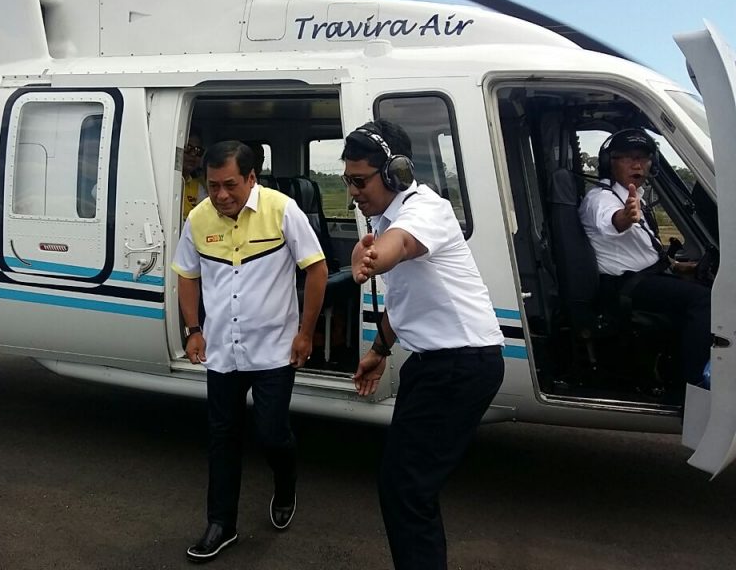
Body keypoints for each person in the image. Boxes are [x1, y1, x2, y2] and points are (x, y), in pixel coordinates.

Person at [344, 120, 505, 570]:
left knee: (406, 489)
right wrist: (379, 350)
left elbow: (399, 247)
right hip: (435, 365)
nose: (353, 192)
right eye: (348, 180)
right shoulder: (387, 217)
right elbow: (403, 299)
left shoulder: (425, 210)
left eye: (361, 181)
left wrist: (372, 257)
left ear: (395, 173)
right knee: (408, 487)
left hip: (460, 367)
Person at [173, 140, 327, 562]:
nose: (221, 195)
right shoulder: (198, 218)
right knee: (222, 437)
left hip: (274, 349)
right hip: (223, 350)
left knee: (271, 433)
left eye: (230, 185)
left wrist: (305, 333)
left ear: (251, 178)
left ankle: (285, 485)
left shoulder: (282, 210)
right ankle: (221, 524)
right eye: (213, 186)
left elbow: (316, 269)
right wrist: (193, 329)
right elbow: (187, 275)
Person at [578, 128, 711, 391]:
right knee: (704, 300)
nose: (637, 164)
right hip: (622, 287)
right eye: (627, 157)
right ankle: (693, 385)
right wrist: (626, 217)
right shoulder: (601, 199)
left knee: (706, 290)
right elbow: (612, 221)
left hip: (643, 279)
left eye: (643, 157)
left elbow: (641, 250)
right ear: (609, 162)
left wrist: (677, 267)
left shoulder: (634, 197)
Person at [181, 131, 207, 221]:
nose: (193, 154)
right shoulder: (164, 182)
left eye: (197, 150)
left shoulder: (198, 188)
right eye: (188, 148)